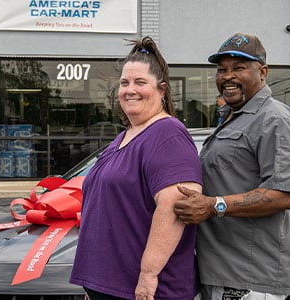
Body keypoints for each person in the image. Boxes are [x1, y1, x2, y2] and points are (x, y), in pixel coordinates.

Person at [69, 37, 203, 300]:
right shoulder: (125, 136)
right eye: (124, 83)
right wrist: (95, 281)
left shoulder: (168, 134)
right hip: (109, 285)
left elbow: (174, 209)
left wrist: (148, 275)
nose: (130, 90)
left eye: (140, 82)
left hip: (145, 290)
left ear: (162, 90)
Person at [174, 33, 290, 299]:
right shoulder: (231, 118)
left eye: (239, 68)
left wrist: (214, 206)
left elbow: (282, 195)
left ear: (263, 72)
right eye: (222, 70)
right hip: (218, 273)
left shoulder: (274, 119)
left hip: (251, 280)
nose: (227, 76)